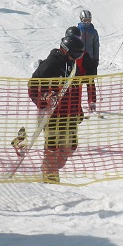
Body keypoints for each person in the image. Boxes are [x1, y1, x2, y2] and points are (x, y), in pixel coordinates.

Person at [28, 34, 86, 183]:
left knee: (70, 147)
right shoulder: (51, 63)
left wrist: (78, 109)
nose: (76, 58)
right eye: (75, 54)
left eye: (79, 55)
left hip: (69, 115)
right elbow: (33, 85)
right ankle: (50, 175)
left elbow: (75, 91)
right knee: (52, 147)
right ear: (66, 50)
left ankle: (49, 167)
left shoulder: (74, 67)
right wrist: (44, 98)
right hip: (52, 115)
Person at [77, 10, 100, 111]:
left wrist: (96, 59)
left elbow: (96, 46)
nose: (87, 22)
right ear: (81, 19)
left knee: (90, 81)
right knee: (78, 82)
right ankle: (77, 102)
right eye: (85, 20)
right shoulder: (78, 31)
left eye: (89, 20)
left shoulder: (93, 32)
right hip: (79, 60)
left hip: (90, 59)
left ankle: (92, 102)